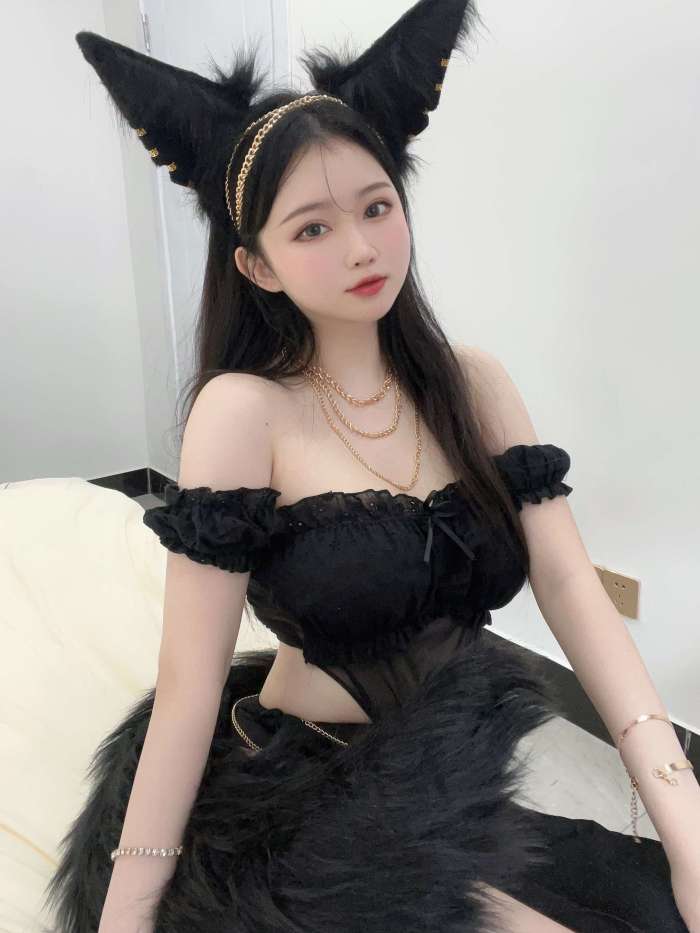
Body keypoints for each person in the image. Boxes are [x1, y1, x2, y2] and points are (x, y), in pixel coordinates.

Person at [43, 2, 698, 931]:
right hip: (300, 790)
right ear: (258, 266)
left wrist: (682, 813)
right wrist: (127, 911)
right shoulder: (243, 411)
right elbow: (188, 687)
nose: (361, 246)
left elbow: (568, 585)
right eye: (311, 228)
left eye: (376, 206)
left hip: (446, 769)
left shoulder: (474, 384)